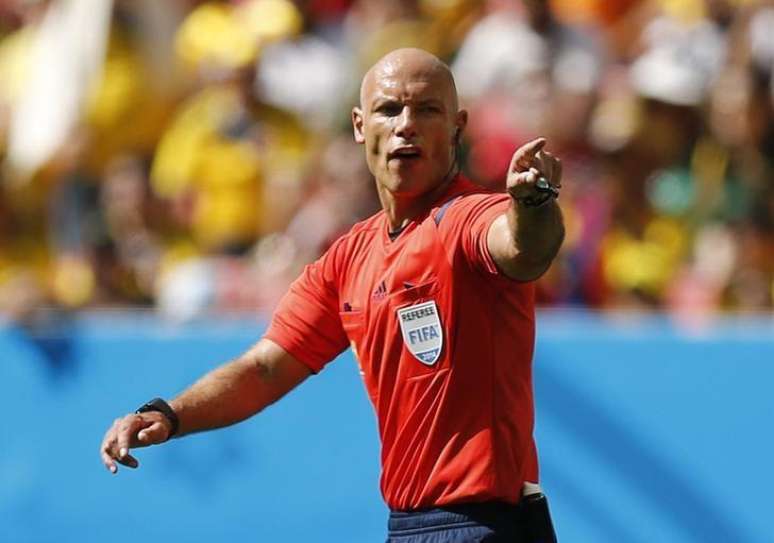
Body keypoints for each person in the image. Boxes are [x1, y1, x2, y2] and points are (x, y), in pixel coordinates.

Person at [100, 48, 564, 542]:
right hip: (412, 527)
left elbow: (522, 248)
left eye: (427, 109)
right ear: (361, 126)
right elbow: (266, 369)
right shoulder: (349, 257)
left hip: (485, 523)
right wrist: (168, 415)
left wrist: (533, 204)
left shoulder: (468, 218)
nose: (406, 125)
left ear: (457, 127)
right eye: (390, 109)